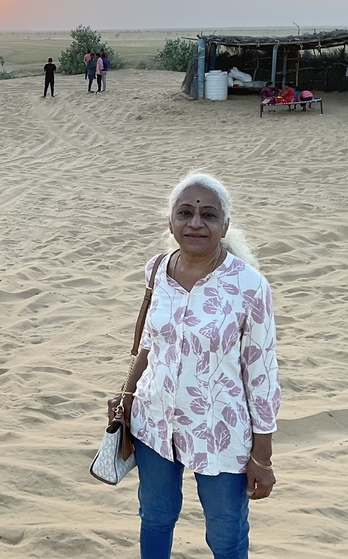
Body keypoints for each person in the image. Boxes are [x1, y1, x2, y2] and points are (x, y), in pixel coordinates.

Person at [111, 172, 280, 559]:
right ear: (171, 222)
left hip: (219, 430)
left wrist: (262, 456)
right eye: (185, 213)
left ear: (225, 225)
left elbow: (262, 373)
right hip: (154, 422)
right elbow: (150, 343)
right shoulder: (156, 270)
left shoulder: (249, 286)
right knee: (155, 516)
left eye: (208, 215)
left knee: (225, 533)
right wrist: (127, 392)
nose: (196, 223)